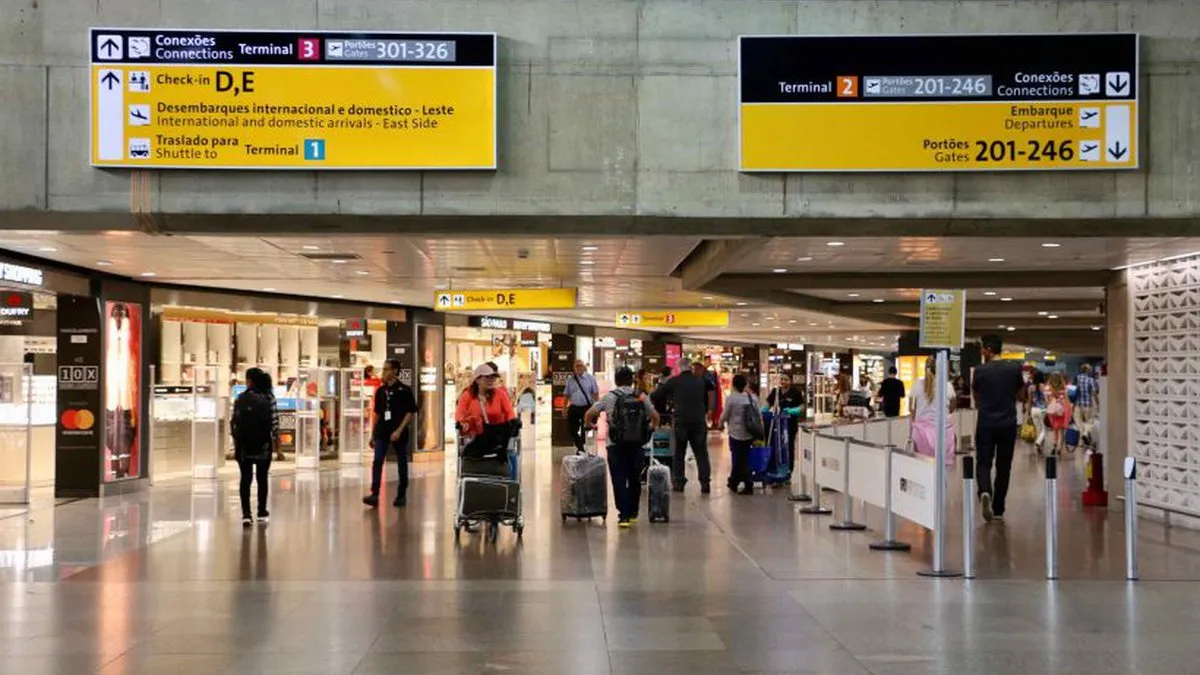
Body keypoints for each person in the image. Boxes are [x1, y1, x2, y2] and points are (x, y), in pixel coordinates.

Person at [585, 367, 659, 527]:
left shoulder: (610, 397)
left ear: (616, 381)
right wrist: (651, 429)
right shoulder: (640, 396)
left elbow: (589, 413)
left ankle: (623, 516)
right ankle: (633, 513)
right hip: (637, 444)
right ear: (631, 380)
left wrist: (589, 424)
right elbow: (655, 416)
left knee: (619, 479)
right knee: (635, 478)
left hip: (615, 444)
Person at [971, 335, 1027, 522]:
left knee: (983, 462)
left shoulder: (980, 371)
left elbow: (976, 397)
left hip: (986, 422)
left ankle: (985, 490)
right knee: (1004, 467)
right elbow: (1021, 395)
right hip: (1008, 423)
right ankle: (998, 508)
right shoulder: (1013, 369)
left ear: (987, 350)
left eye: (982, 349)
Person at [363, 359, 419, 508]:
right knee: (378, 460)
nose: (384, 372)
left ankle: (401, 494)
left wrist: (399, 430)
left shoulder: (405, 390)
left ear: (395, 371)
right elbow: (377, 413)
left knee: (401, 461)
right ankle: (374, 493)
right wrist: (373, 434)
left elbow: (410, 412)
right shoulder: (381, 391)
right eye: (383, 369)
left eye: (387, 369)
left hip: (398, 432)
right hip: (382, 431)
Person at [652, 360, 713, 493]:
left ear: (679, 368)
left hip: (681, 421)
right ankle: (705, 483)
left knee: (679, 452)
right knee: (701, 453)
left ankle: (678, 482)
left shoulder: (674, 381)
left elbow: (656, 395)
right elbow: (709, 393)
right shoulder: (700, 381)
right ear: (690, 368)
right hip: (698, 421)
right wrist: (708, 410)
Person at [231, 368, 279, 526]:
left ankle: (246, 514)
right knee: (262, 478)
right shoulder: (269, 397)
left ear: (250, 381)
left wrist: (236, 441)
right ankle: (261, 511)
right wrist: (276, 444)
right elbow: (275, 423)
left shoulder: (240, 399)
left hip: (244, 445)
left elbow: (234, 423)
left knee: (245, 478)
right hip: (263, 444)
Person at [455, 363, 517, 455]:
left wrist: (512, 425)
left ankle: (508, 467)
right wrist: (467, 425)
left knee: (511, 447)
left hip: (497, 437)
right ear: (477, 379)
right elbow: (459, 417)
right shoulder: (467, 396)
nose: (491, 380)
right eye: (487, 377)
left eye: (493, 377)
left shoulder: (500, 394)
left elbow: (510, 414)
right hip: (475, 438)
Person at [719, 374, 763, 495]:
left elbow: (725, 414)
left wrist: (720, 424)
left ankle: (746, 484)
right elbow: (758, 415)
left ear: (733, 385)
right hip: (749, 432)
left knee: (739, 459)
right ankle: (733, 481)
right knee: (743, 458)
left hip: (735, 433)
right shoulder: (752, 397)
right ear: (745, 384)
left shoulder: (732, 398)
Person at [909, 358, 956, 465]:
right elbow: (952, 407)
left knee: (923, 467)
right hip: (943, 431)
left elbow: (912, 409)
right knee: (942, 468)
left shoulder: (916, 384)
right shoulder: (947, 386)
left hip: (921, 433)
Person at [767, 373, 805, 467]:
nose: (783, 381)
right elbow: (768, 403)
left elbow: (802, 405)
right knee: (777, 447)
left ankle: (788, 470)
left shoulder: (795, 392)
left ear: (790, 381)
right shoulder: (776, 392)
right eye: (782, 379)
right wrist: (762, 410)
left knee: (788, 447)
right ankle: (777, 468)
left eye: (786, 379)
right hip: (777, 424)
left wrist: (794, 410)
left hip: (790, 425)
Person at [562, 359, 599, 453]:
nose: (578, 368)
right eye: (576, 366)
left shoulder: (590, 378)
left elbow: (595, 394)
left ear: (584, 367)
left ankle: (581, 447)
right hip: (574, 407)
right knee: (572, 429)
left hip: (586, 407)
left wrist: (597, 407)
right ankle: (579, 445)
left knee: (586, 428)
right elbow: (566, 395)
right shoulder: (570, 380)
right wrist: (564, 408)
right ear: (574, 368)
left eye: (580, 365)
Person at [1045, 371, 1073, 455]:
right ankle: (1060, 449)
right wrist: (1070, 411)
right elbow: (1067, 399)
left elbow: (1047, 400)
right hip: (1063, 409)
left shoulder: (1048, 388)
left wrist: (1052, 404)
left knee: (1055, 429)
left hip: (1053, 411)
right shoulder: (1063, 387)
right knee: (1062, 431)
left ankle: (1054, 446)